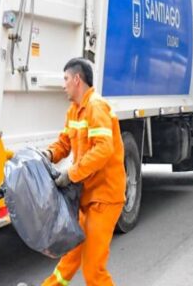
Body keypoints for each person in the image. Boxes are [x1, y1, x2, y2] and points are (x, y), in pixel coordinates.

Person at [41, 58, 126, 286]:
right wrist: (47, 155)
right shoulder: (74, 111)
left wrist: (70, 174)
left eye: (66, 79)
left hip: (105, 197)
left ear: (77, 80)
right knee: (70, 256)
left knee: (93, 270)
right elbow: (64, 144)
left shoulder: (96, 107)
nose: (64, 85)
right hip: (86, 196)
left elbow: (104, 149)